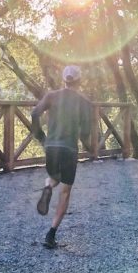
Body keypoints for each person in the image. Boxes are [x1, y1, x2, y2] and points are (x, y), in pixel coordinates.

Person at [31, 65, 94, 249]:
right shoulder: (84, 102)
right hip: (69, 149)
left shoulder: (51, 96)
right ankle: (50, 235)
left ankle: (47, 187)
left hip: (51, 146)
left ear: (64, 80)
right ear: (79, 81)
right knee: (65, 192)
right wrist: (88, 146)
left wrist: (41, 137)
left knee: (53, 178)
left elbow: (35, 113)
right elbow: (85, 132)